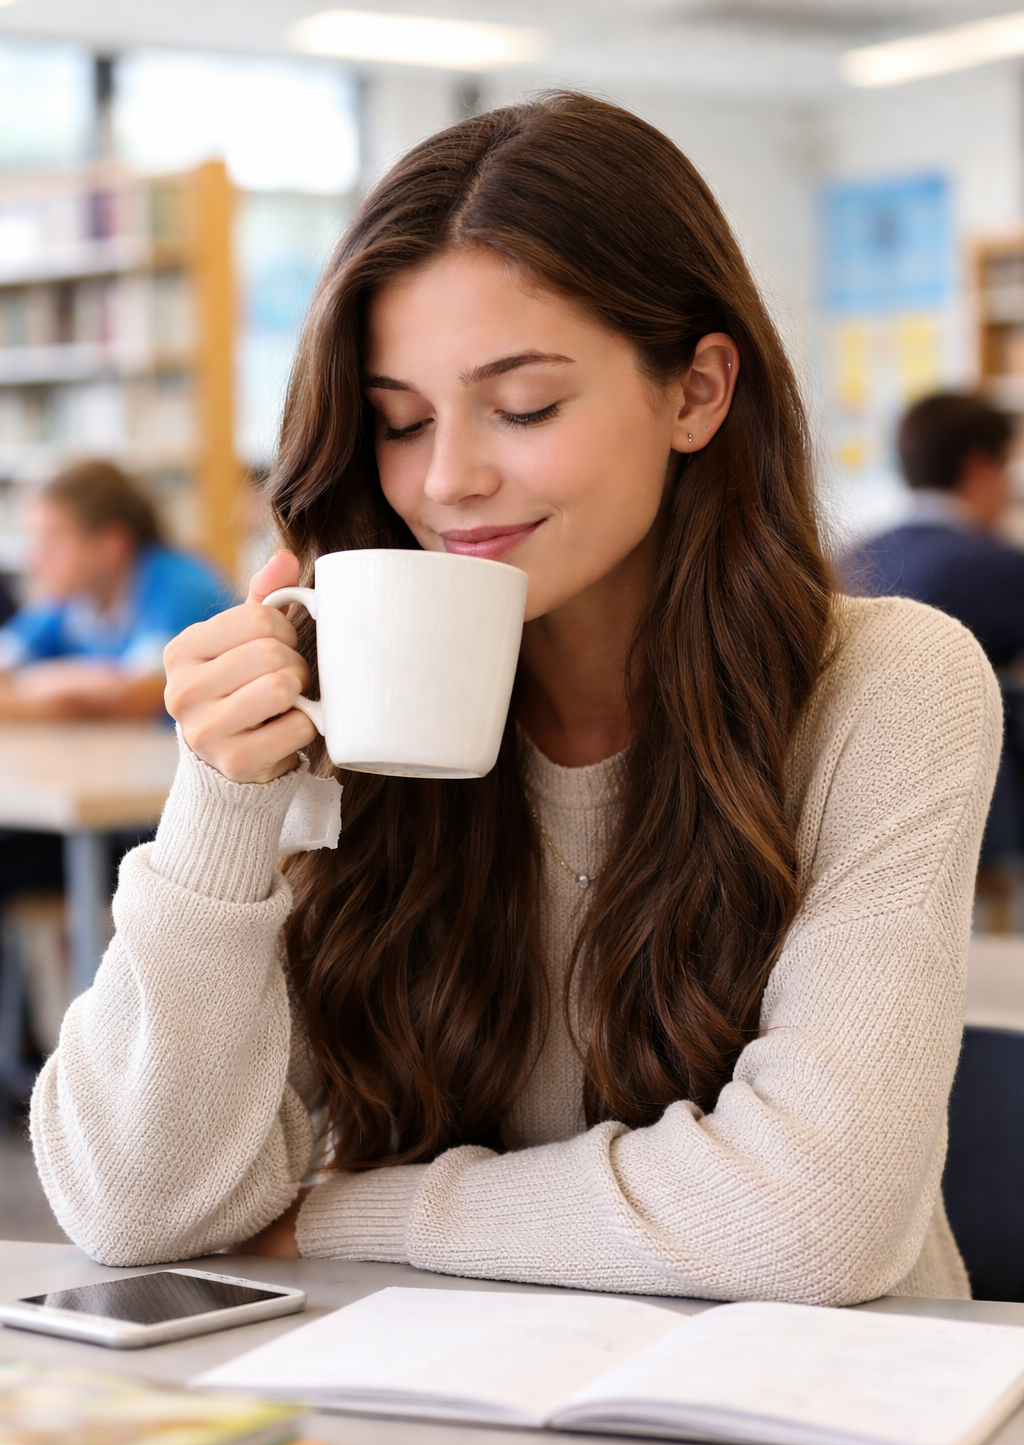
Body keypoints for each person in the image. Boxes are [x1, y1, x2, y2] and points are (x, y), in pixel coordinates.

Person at [31, 95, 1000, 1305]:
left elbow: (812, 1220)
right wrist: (222, 799)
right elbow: (133, 1208)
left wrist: (339, 1215)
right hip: (450, 1425)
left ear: (696, 392)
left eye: (525, 405)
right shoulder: (343, 705)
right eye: (397, 420)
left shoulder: (889, 681)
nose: (447, 478)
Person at [842, 394, 1024, 867]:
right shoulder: (996, 564)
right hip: (966, 805)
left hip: (851, 801)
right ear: (981, 467)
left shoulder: (851, 558)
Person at [0, 459, 232, 720]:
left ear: (110, 544)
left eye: (52, 540)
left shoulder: (180, 586)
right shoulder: (72, 600)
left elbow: (136, 696)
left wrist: (31, 686)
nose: (33, 559)